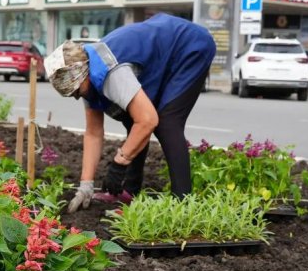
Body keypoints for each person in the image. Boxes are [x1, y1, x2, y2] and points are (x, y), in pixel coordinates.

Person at [45, 13, 216, 213]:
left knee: (167, 123)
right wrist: (86, 186)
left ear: (83, 73)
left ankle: (184, 205)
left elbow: (148, 120)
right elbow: (93, 133)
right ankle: (129, 191)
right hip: (162, 50)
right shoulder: (87, 73)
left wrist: (120, 162)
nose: (76, 97)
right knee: (133, 119)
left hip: (189, 46)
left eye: (76, 91)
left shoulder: (111, 73)